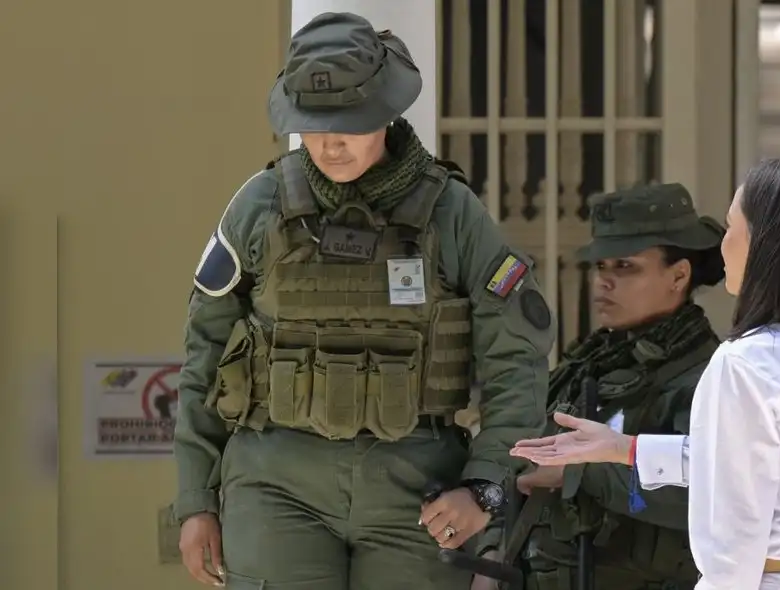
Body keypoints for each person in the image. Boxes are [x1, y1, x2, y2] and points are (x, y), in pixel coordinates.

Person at [172, 12, 554, 590]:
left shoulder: (453, 214)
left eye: (349, 122)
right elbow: (204, 352)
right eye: (313, 123)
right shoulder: (259, 206)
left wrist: (486, 485)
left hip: (416, 488)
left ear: (388, 110)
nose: (330, 141)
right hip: (275, 483)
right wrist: (196, 498)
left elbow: (516, 357)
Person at [510, 158, 780, 589]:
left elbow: (732, 542)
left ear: (766, 243)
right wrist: (626, 449)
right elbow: (763, 460)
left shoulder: (746, 361)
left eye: (731, 226)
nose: (723, 246)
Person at [499, 184, 724, 590]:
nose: (604, 282)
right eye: (600, 267)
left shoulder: (707, 377)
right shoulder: (593, 361)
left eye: (625, 267)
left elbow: (705, 493)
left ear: (679, 275)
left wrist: (583, 474)